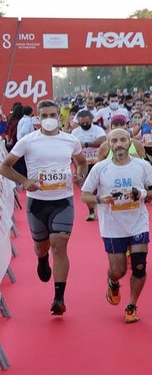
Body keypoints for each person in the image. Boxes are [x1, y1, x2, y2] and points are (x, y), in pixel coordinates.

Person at [0, 99, 86, 315]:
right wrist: (25, 181)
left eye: (52, 115)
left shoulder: (70, 140)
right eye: (44, 116)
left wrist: (80, 175)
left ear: (59, 117)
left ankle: (59, 297)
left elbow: (82, 162)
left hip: (63, 200)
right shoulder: (28, 141)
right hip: (37, 202)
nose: (49, 119)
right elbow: (4, 166)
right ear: (38, 118)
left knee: (59, 244)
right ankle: (41, 259)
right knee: (42, 246)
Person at [80, 128, 152, 323]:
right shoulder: (100, 168)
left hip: (138, 223)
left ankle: (132, 305)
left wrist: (140, 194)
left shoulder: (142, 166)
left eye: (123, 140)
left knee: (139, 266)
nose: (119, 144)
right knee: (119, 270)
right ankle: (113, 282)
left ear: (130, 141)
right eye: (114, 141)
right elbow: (85, 195)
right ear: (108, 144)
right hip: (112, 226)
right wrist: (100, 198)